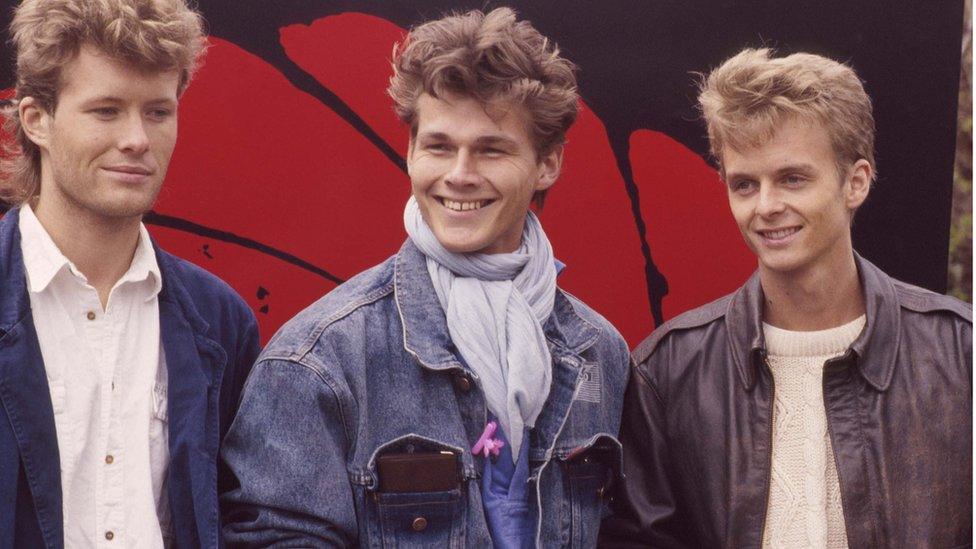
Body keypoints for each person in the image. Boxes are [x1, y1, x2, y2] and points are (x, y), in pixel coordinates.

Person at [221, 7, 629, 548]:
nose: (459, 175)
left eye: (491, 149)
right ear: (412, 151)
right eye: (439, 146)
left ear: (547, 164)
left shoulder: (600, 351)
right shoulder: (319, 361)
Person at [599, 47, 972, 548]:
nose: (767, 206)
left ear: (855, 182)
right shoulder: (669, 372)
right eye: (745, 185)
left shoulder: (960, 354)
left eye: (792, 178)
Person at [0, 0, 260, 546]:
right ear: (36, 120)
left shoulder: (219, 320)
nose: (137, 139)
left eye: (158, 112)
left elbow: (244, 517)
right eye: (106, 110)